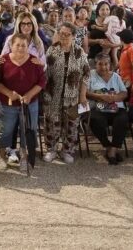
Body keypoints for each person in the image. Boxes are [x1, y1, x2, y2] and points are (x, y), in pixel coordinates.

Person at [0, 33, 44, 172]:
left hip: (30, 103)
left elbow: (42, 81)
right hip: (8, 103)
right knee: (5, 131)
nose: (21, 48)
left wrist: (29, 95)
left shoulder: (34, 61)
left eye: (24, 45)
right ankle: (2, 157)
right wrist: (9, 93)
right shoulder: (3, 61)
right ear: (11, 45)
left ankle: (24, 158)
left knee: (27, 130)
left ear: (28, 46)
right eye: (17, 45)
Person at [42, 22, 89, 164]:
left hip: (73, 96)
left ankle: (67, 151)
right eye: (61, 33)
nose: (63, 36)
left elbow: (86, 75)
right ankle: (51, 149)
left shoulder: (80, 52)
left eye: (67, 34)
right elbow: (45, 73)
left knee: (71, 125)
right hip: (53, 94)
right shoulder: (52, 50)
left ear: (73, 36)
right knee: (51, 123)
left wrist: (83, 95)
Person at [86, 54, 128, 165]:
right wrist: (100, 97)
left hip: (116, 107)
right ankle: (108, 146)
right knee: (95, 120)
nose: (103, 67)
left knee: (123, 119)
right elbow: (85, 92)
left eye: (106, 64)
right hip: (98, 107)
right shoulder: (90, 75)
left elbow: (124, 92)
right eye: (100, 64)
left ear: (110, 65)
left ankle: (113, 149)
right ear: (95, 65)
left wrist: (115, 98)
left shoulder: (116, 76)